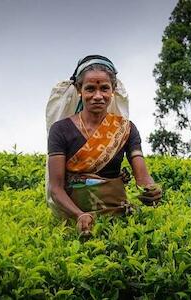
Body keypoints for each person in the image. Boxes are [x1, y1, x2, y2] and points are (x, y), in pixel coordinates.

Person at [47, 55, 162, 236]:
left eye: (104, 89)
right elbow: (56, 188)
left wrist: (152, 191)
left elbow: (143, 178)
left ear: (113, 90)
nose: (98, 96)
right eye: (90, 89)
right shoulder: (61, 130)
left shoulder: (126, 129)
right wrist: (79, 215)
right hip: (74, 218)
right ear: (79, 90)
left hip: (119, 218)